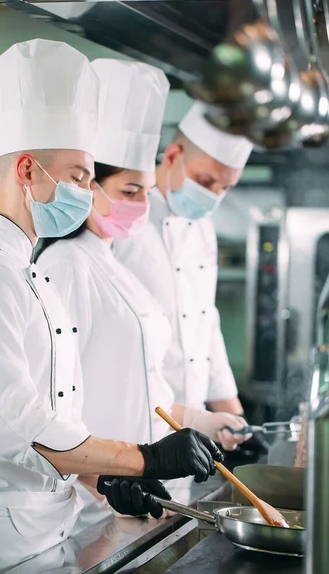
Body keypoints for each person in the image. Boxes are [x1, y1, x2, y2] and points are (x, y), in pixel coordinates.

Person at [0, 40, 222, 574]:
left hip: (51, 531)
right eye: (79, 178)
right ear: (25, 170)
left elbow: (59, 418)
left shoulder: (33, 271)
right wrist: (144, 457)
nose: (87, 196)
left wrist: (105, 481)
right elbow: (24, 426)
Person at [36, 59, 247, 531]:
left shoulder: (112, 262)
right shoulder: (64, 265)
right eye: (131, 190)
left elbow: (160, 362)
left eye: (145, 193)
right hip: (94, 494)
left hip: (146, 476)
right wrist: (105, 476)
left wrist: (211, 417)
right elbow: (51, 408)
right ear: (87, 187)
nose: (142, 208)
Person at [114, 101, 256, 449]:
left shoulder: (203, 229)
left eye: (225, 187)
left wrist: (237, 422)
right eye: (206, 181)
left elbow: (205, 322)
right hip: (129, 428)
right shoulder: (123, 223)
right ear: (173, 156)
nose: (213, 196)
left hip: (193, 435)